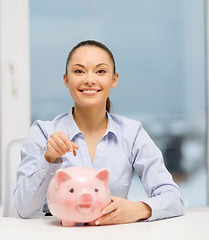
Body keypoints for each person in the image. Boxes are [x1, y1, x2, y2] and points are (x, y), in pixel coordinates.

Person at [14, 40, 184, 224]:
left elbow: (174, 198)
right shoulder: (43, 132)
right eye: (79, 71)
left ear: (114, 79)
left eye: (100, 71)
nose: (89, 79)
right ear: (66, 79)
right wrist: (49, 159)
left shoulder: (132, 133)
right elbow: (24, 209)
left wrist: (138, 209)